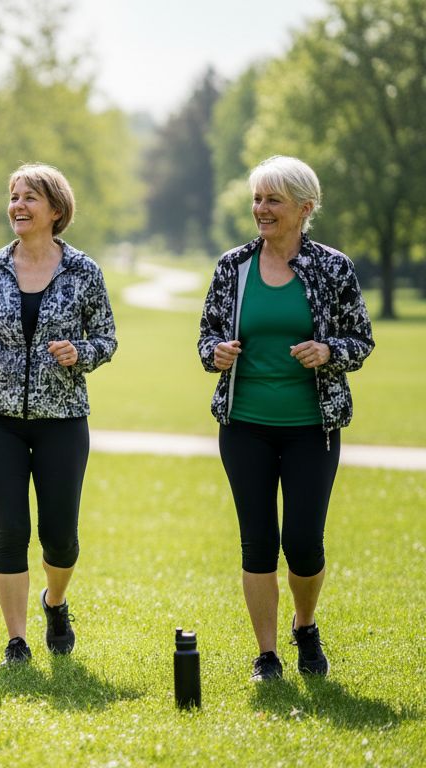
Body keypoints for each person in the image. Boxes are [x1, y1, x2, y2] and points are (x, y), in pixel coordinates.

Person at [197, 155, 374, 682]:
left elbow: (360, 339)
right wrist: (217, 353)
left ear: (304, 207)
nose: (261, 209)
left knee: (302, 542)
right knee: (257, 540)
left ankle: (305, 625)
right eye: (257, 199)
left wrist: (328, 350)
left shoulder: (333, 267)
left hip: (310, 427)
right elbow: (206, 336)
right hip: (244, 423)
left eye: (273, 200)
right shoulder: (234, 266)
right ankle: (267, 654)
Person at [0, 163, 116, 666]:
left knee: (60, 536)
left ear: (55, 210)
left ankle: (56, 601)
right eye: (13, 197)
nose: (18, 207)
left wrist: (80, 353)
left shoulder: (84, 271)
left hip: (63, 420)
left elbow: (106, 338)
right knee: (9, 531)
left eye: (30, 198)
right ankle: (17, 641)